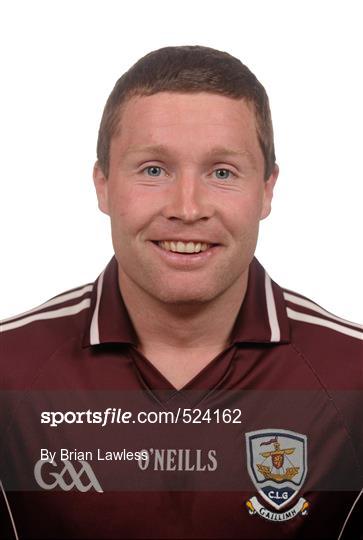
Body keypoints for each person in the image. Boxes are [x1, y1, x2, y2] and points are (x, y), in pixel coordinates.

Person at [0, 45, 362, 540]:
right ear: (102, 185)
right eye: (153, 169)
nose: (187, 208)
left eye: (222, 172)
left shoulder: (352, 379)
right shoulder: (9, 372)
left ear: (268, 190)